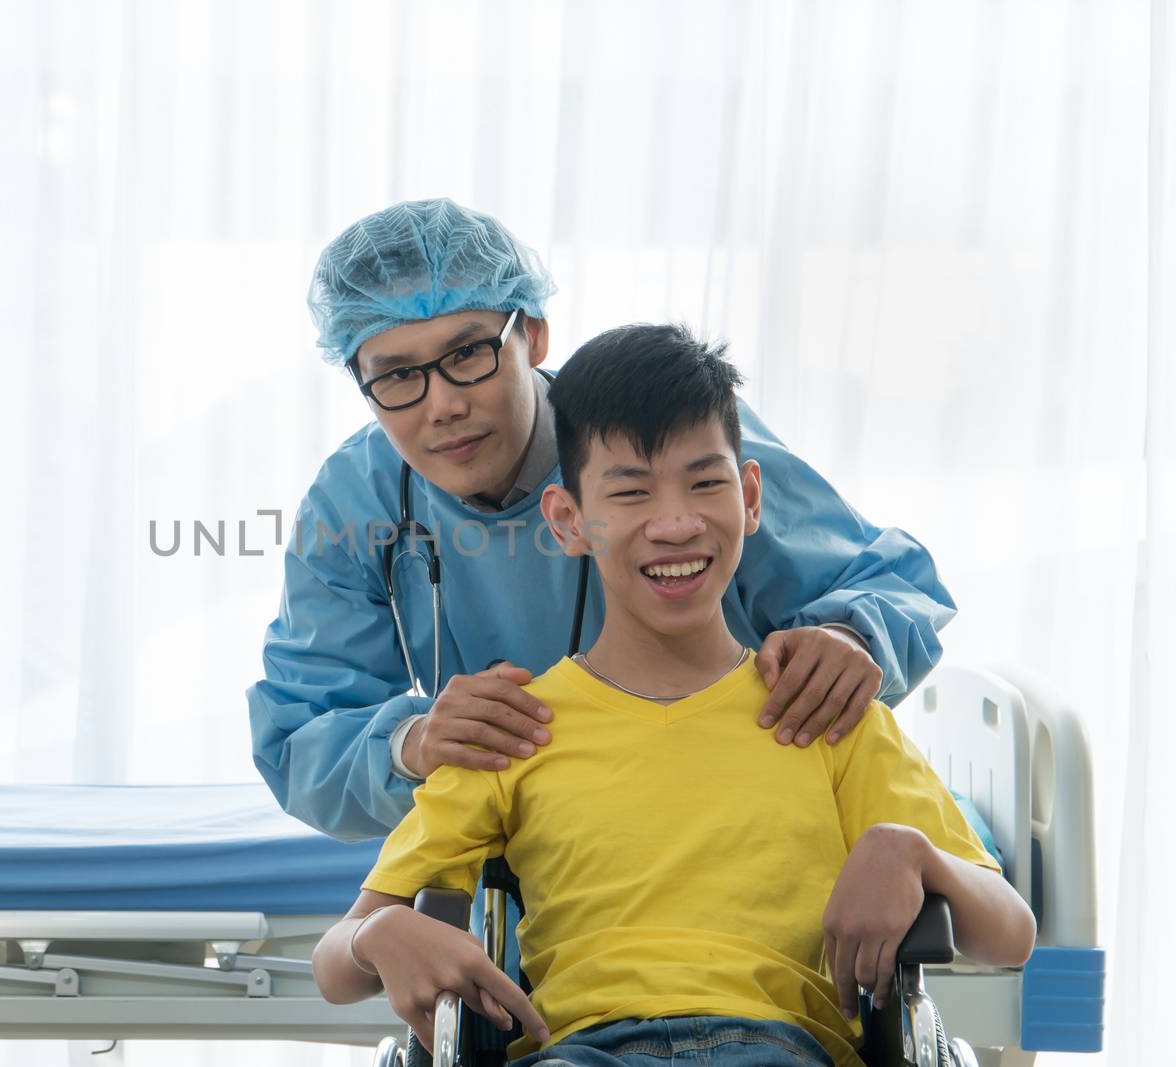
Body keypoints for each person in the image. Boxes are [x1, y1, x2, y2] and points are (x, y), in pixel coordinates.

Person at [310, 323, 1035, 1067]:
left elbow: (1010, 931)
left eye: (705, 482)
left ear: (750, 497)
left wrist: (911, 851)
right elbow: (335, 965)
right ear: (568, 520)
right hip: (582, 1051)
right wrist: (376, 933)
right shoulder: (515, 729)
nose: (676, 522)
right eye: (629, 491)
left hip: (779, 1049)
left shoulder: (823, 712)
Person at [248, 197, 956, 843]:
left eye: (468, 353)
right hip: (546, 871)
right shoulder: (355, 503)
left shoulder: (660, 434)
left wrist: (845, 636)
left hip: (738, 822)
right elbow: (299, 739)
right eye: (398, 375)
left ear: (534, 334)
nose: (442, 406)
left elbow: (892, 584)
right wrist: (415, 741)